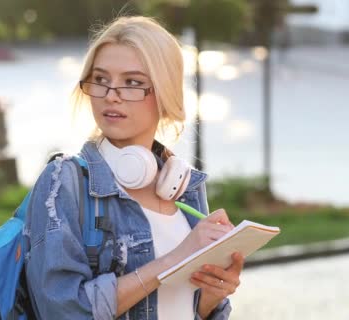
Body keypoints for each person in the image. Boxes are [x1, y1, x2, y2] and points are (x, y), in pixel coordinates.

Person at [24, 16, 244, 320]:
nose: (111, 94)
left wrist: (211, 297)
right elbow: (62, 310)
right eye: (100, 79)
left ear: (164, 93)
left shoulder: (185, 188)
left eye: (132, 83)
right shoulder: (65, 182)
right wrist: (176, 259)